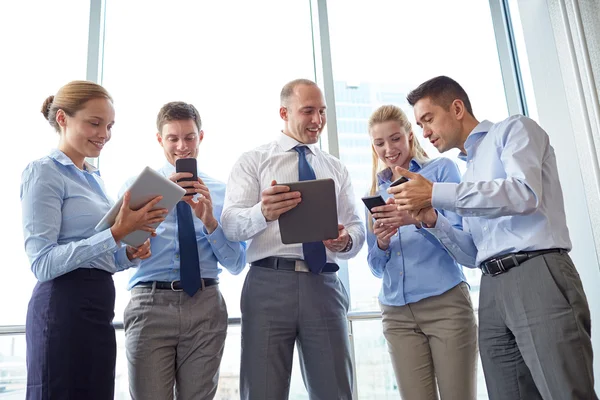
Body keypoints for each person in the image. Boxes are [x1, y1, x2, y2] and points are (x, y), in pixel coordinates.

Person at [390, 75, 597, 400]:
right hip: (491, 286)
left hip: (538, 272)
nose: (424, 132)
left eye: (428, 119)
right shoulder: (469, 171)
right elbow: (472, 254)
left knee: (564, 392)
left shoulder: (514, 130)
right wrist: (432, 220)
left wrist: (435, 193)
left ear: (456, 108)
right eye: (419, 125)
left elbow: (524, 193)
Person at [21, 80, 167, 400]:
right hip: (61, 308)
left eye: (110, 126)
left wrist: (127, 254)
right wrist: (114, 233)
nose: (104, 134)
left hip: (98, 307)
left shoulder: (93, 177)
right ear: (62, 119)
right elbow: (43, 263)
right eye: (95, 123)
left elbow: (97, 253)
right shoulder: (43, 172)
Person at [221, 78, 365, 400]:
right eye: (308, 111)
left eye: (322, 111)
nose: (317, 120)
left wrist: (345, 241)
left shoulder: (336, 168)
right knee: (263, 391)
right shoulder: (253, 161)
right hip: (268, 284)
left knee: (335, 391)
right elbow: (230, 225)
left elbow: (356, 227)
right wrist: (263, 213)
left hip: (324, 285)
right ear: (284, 112)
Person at [122, 101, 246, 400]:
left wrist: (210, 221)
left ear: (200, 137)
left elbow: (237, 262)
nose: (182, 146)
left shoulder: (220, 191)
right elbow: (118, 253)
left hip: (205, 304)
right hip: (150, 305)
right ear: (159, 140)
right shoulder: (135, 190)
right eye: (173, 138)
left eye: (189, 137)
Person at [365, 104, 477, 399]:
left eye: (395, 138)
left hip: (446, 304)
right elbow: (375, 267)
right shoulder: (374, 192)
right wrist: (382, 243)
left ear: (409, 137)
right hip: (396, 313)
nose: (389, 149)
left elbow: (466, 246)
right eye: (379, 143)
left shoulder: (440, 172)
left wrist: (418, 221)